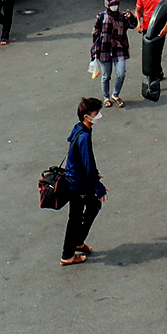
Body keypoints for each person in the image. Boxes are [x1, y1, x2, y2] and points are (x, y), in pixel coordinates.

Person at [60, 96, 106, 266]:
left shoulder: (79, 129)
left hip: (74, 179)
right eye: (96, 113)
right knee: (79, 215)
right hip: (77, 184)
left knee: (86, 210)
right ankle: (68, 254)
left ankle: (78, 242)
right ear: (87, 116)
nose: (99, 115)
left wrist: (95, 174)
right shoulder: (84, 136)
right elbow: (87, 163)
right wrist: (98, 186)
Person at [91, 0, 132, 107]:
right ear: (107, 5)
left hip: (119, 49)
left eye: (116, 4)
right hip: (104, 49)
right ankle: (106, 97)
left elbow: (133, 25)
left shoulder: (123, 17)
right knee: (106, 75)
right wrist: (94, 50)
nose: (114, 6)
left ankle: (115, 94)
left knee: (121, 74)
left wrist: (131, 17)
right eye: (112, 4)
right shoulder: (101, 17)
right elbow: (95, 34)